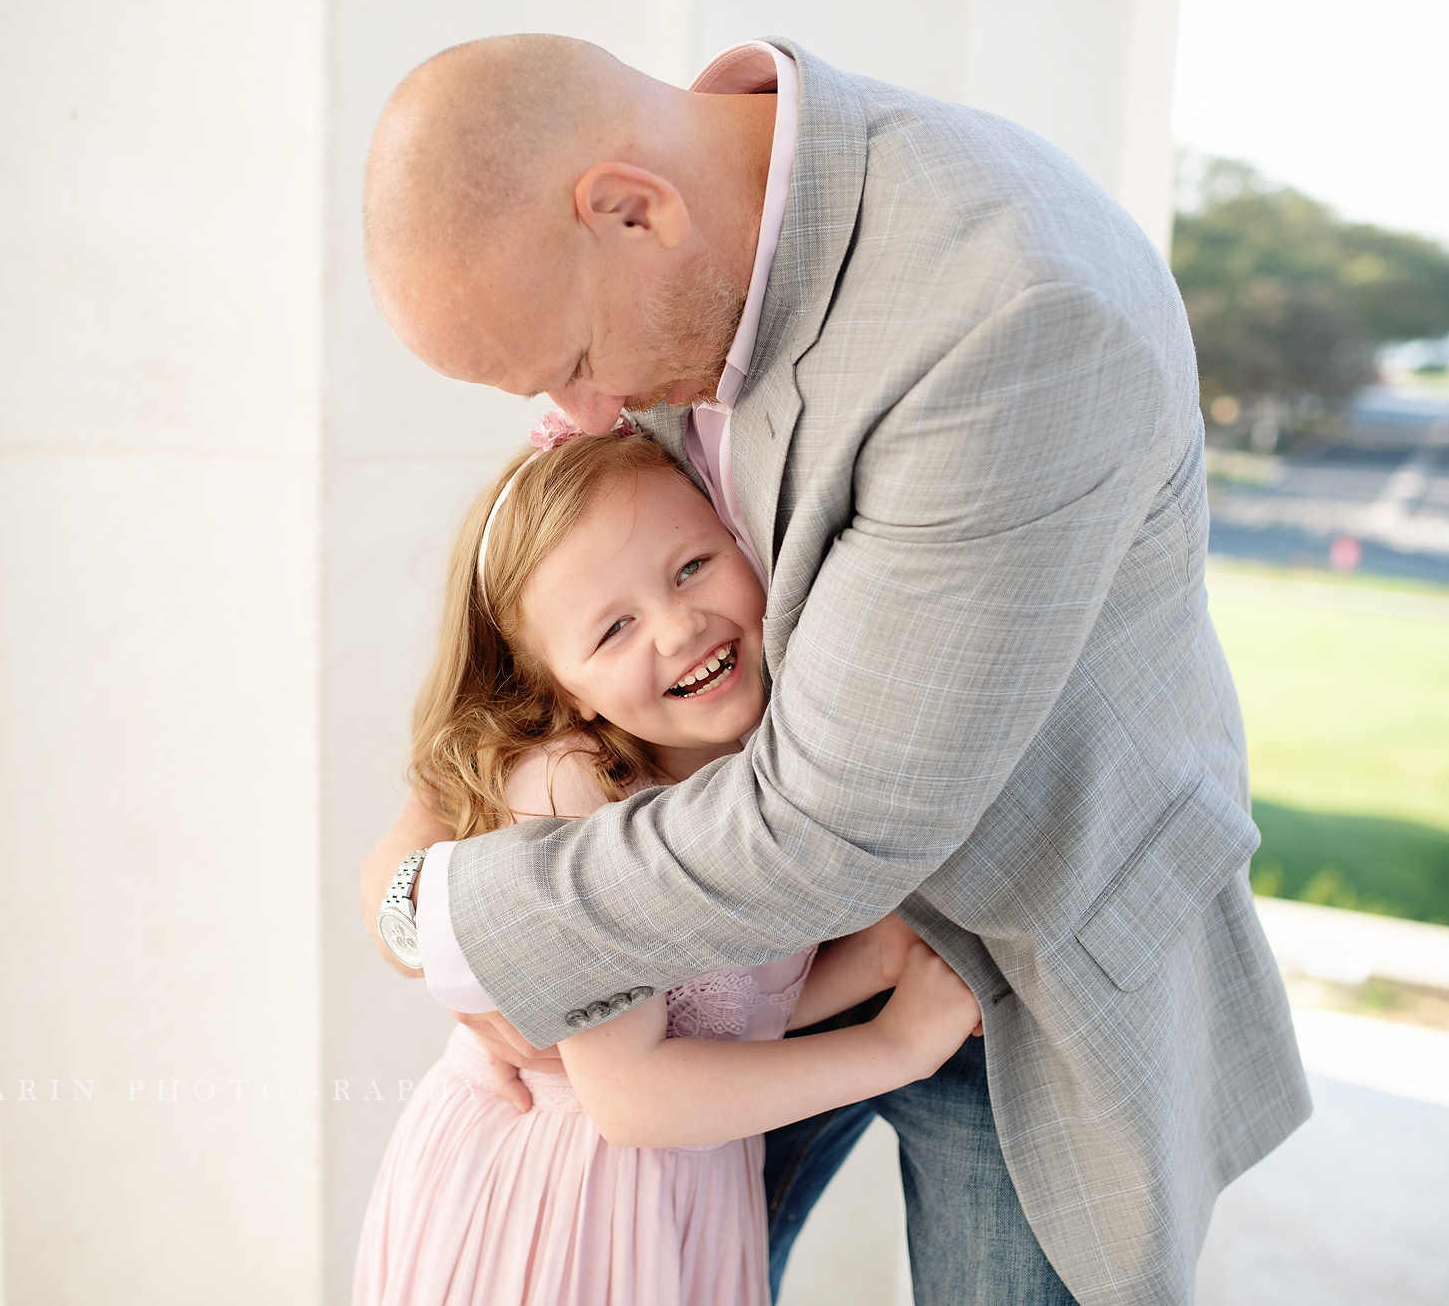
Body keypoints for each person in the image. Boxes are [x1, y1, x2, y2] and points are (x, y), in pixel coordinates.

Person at [358, 33, 1310, 1306]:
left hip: (1012, 969)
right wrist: (411, 889)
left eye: (574, 366)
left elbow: (830, 823)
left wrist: (479, 920)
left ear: (629, 211)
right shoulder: (696, 242)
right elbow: (524, 654)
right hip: (721, 961)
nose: (582, 419)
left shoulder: (1009, 310)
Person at [354, 415, 982, 1305]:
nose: (679, 625)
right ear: (558, 690)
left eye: (692, 566)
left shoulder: (760, 755)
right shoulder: (574, 787)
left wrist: (883, 957)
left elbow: (713, 1015)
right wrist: (894, 1043)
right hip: (565, 1201)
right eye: (613, 629)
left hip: (682, 1186)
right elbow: (632, 1093)